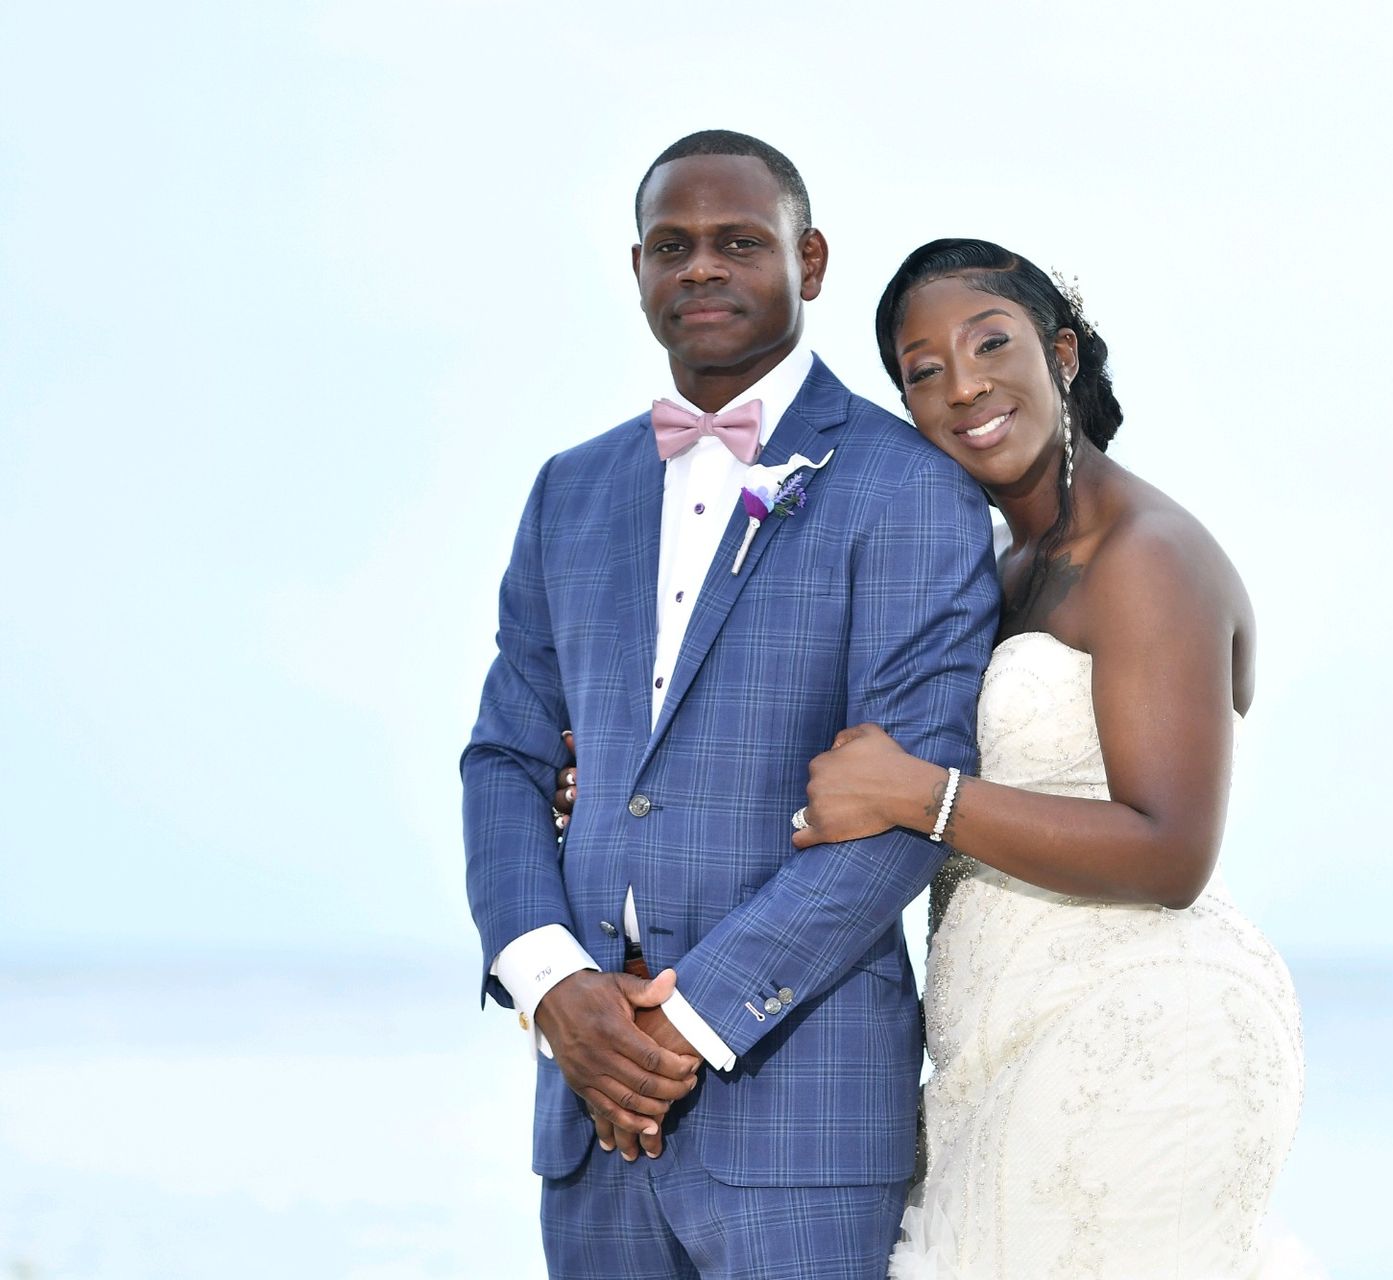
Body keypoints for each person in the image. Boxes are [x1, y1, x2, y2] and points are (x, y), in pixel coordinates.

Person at [557, 239, 1306, 1277]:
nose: (963, 385)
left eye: (990, 343)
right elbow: (846, 771)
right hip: (996, 1041)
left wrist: (928, 797)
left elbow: (1171, 848)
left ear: (1064, 354)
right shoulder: (1009, 570)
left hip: (1138, 1026)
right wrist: (621, 786)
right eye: (922, 371)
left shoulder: (1149, 558)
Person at [461, 133, 999, 1280]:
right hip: (589, 1110)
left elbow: (910, 799)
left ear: (808, 262)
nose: (700, 267)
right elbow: (505, 756)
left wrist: (676, 1024)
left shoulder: (912, 489)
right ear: (640, 271)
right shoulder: (570, 490)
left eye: (737, 242)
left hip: (799, 1112)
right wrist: (555, 985)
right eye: (672, 246)